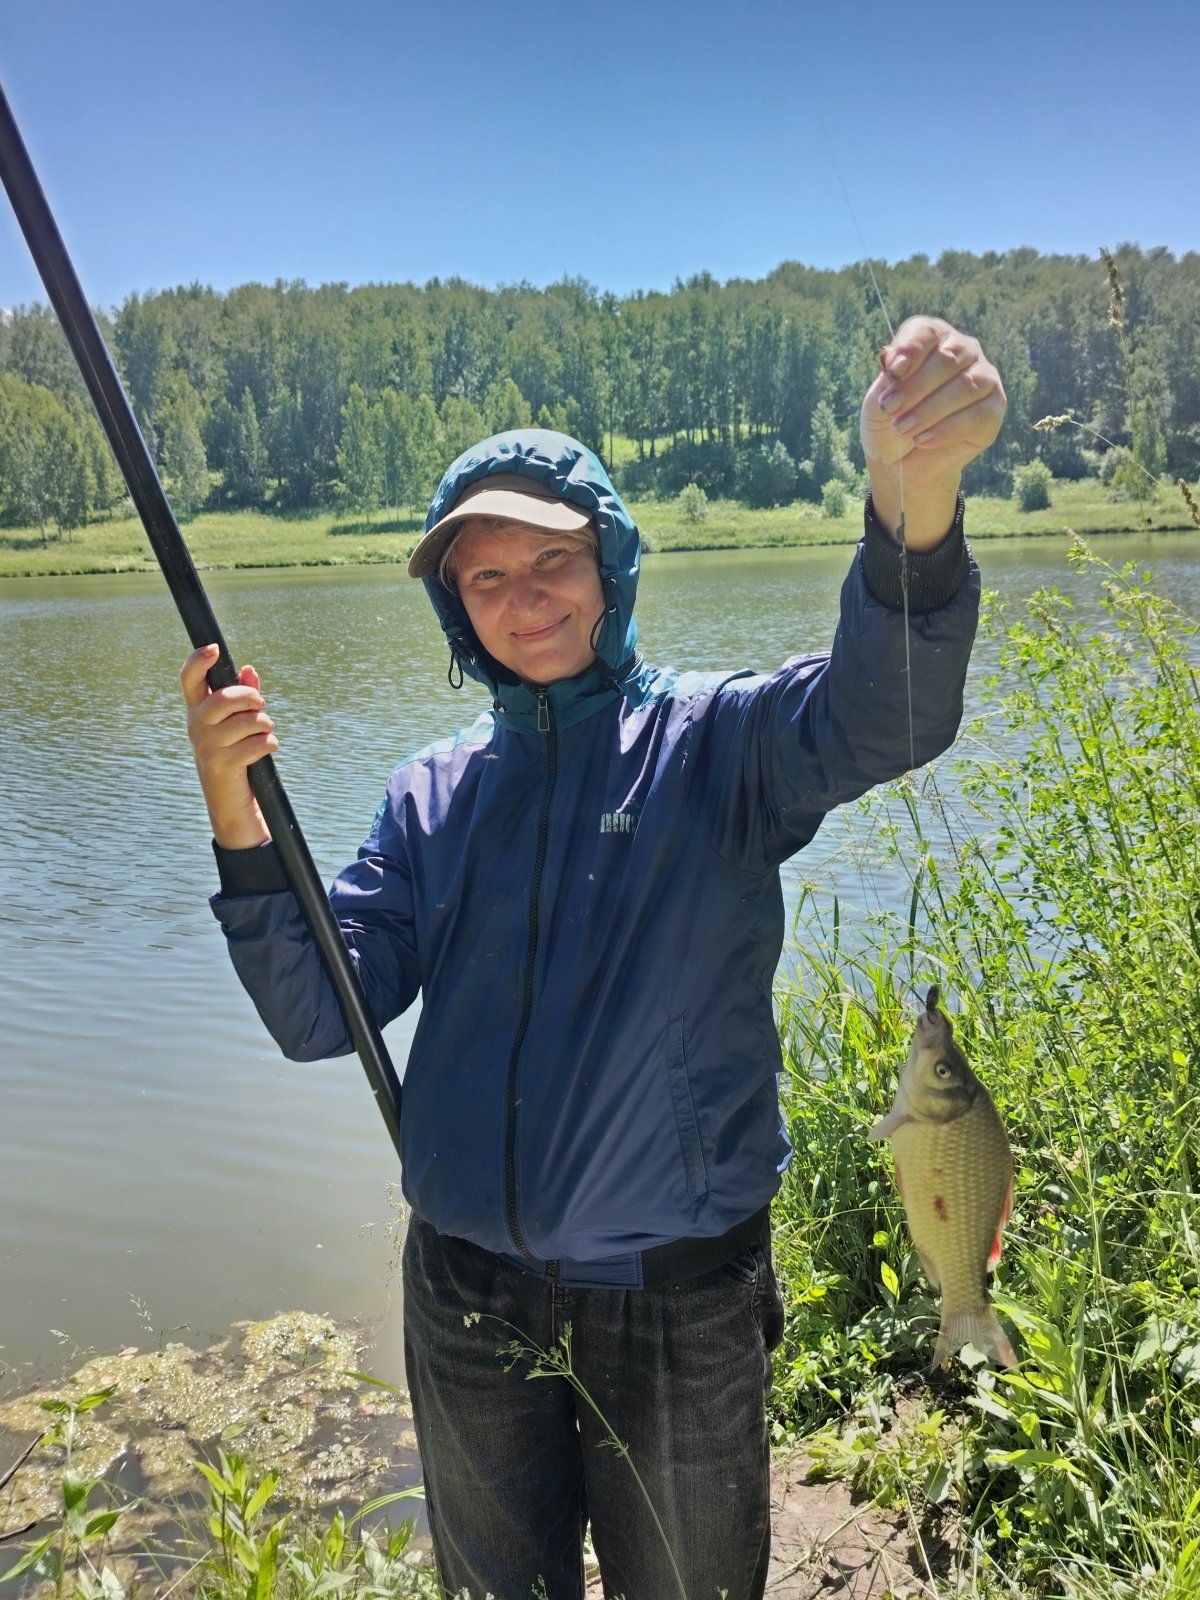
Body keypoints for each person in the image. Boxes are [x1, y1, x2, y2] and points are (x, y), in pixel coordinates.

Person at [181, 315, 1005, 1600]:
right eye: (487, 578)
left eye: (554, 560)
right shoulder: (431, 797)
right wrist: (235, 808)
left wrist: (915, 499)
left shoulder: (714, 747)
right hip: (462, 1298)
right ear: (456, 606)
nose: (526, 600)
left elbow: (881, 708)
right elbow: (312, 1008)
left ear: (610, 564)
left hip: (677, 1304)